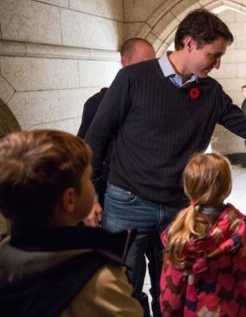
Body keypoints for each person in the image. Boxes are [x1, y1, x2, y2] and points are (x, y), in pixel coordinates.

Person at [84, 8, 246, 317]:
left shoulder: (210, 92)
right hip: (127, 202)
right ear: (190, 43)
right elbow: (96, 138)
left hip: (179, 209)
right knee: (122, 291)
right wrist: (90, 196)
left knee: (170, 293)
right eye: (213, 54)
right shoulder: (132, 79)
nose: (217, 63)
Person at [0, 129, 143, 317]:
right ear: (70, 199)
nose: (91, 184)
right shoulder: (98, 280)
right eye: (88, 178)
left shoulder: (5, 254)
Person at [77, 37, 159, 316]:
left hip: (158, 204)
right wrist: (91, 200)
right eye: (144, 64)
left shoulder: (159, 100)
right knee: (127, 283)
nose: (152, 72)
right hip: (118, 208)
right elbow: (86, 153)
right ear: (124, 62)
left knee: (165, 281)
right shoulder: (99, 103)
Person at [160, 153, 246, 317]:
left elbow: (171, 294)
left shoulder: (179, 236)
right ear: (227, 187)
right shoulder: (242, 226)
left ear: (188, 188)